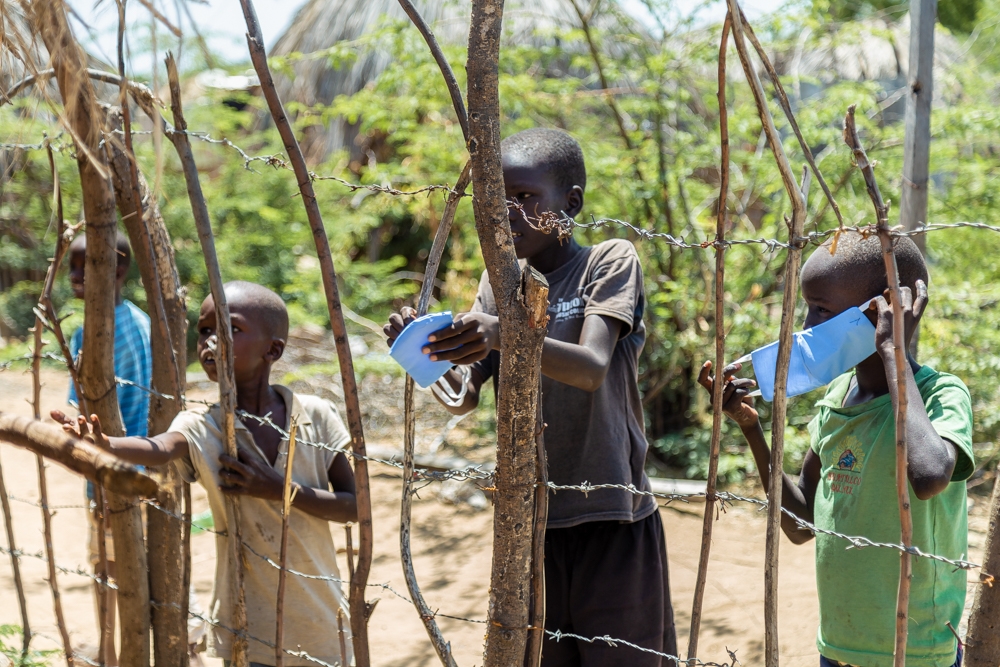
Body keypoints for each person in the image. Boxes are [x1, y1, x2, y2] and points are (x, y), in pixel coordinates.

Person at [385, 128, 677, 666]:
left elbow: (591, 367)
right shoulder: (500, 284)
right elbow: (463, 396)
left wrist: (503, 333)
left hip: (612, 515)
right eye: (498, 199)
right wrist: (422, 352)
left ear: (571, 203)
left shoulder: (607, 262)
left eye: (525, 197)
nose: (508, 213)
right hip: (534, 520)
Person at [699, 234, 973, 667]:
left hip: (917, 650)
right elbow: (800, 524)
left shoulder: (940, 394)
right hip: (839, 648)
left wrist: (894, 354)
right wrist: (751, 429)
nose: (808, 325)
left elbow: (929, 476)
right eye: (808, 307)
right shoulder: (837, 399)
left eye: (822, 310)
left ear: (884, 308)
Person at [55, 281, 357, 667]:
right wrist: (105, 444)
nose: (211, 340)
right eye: (204, 330)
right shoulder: (203, 425)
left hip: (320, 622)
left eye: (231, 328)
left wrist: (279, 490)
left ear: (273, 350)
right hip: (245, 625)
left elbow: (354, 506)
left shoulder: (315, 415)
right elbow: (161, 448)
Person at [66, 232, 151, 667]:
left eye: (85, 266)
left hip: (110, 470)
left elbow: (79, 409)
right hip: (149, 463)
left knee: (107, 566)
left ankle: (109, 652)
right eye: (71, 267)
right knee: (140, 560)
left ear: (116, 269)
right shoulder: (142, 320)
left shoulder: (90, 333)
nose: (74, 276)